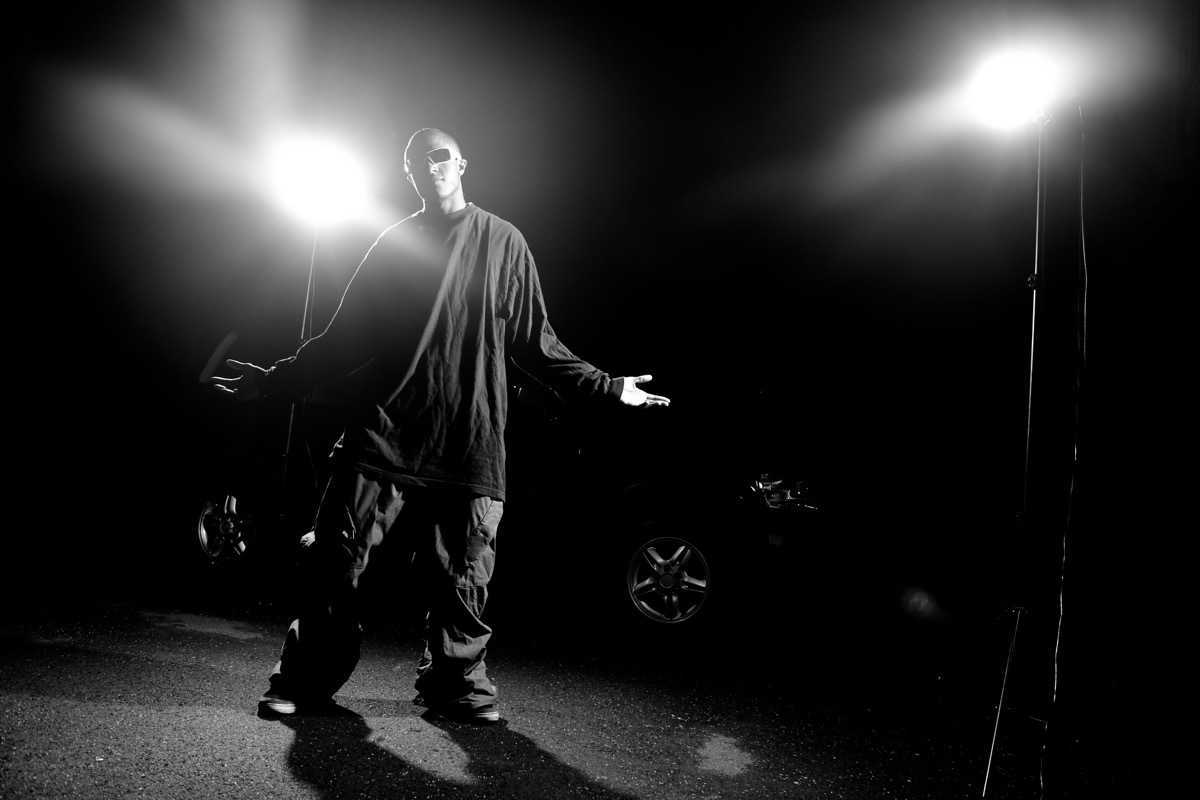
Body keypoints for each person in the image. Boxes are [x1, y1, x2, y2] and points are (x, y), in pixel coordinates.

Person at [211, 127, 669, 724]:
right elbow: (343, 338)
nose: (430, 165)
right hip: (385, 435)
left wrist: (607, 385)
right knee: (334, 564)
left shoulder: (503, 241)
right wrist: (273, 379)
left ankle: (457, 688)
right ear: (408, 173)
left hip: (469, 443)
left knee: (464, 580)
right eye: (417, 159)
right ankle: (305, 680)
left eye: (440, 155)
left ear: (460, 164)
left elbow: (536, 340)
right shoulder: (393, 244)